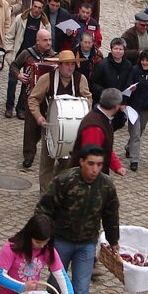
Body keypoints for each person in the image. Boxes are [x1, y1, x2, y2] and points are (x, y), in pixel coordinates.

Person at [36, 146, 120, 294]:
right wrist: (42, 236)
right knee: (56, 281)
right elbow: (44, 208)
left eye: (99, 165)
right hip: (61, 241)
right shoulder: (65, 180)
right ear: (82, 161)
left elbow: (111, 215)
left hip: (86, 244)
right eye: (91, 163)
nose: (94, 169)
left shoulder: (106, 187)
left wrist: (114, 241)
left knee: (80, 291)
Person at [29, 51, 92, 190]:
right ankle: (45, 194)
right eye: (67, 64)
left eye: (72, 64)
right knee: (47, 163)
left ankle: (58, 189)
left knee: (67, 163)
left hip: (72, 129)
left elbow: (88, 98)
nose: (70, 68)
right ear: (59, 65)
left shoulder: (80, 79)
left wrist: (83, 109)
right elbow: (33, 98)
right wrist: (39, 116)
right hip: (50, 127)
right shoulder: (47, 78)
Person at [11, 29, 56, 159]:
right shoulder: (27, 53)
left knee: (43, 123)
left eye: (50, 40)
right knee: (30, 125)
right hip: (30, 94)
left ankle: (38, 145)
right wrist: (19, 75)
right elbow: (14, 65)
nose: (48, 43)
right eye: (45, 40)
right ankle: (28, 155)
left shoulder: (54, 56)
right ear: (38, 41)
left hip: (47, 96)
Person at [4, 0, 50, 118]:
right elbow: (10, 36)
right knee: (12, 82)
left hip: (33, 56)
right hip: (19, 53)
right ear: (31, 6)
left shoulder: (45, 24)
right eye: (35, 7)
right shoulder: (21, 18)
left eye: (39, 8)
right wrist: (9, 52)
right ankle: (9, 107)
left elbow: (48, 42)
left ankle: (21, 108)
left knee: (27, 84)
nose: (36, 10)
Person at [66, 87, 126, 177]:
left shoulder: (101, 119)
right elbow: (91, 157)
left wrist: (117, 166)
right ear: (117, 106)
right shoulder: (95, 128)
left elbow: (105, 146)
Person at [124, 51, 148, 173]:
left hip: (146, 107)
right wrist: (131, 89)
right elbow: (128, 83)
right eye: (143, 60)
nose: (145, 62)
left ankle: (129, 147)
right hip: (133, 106)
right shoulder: (135, 70)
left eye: (147, 60)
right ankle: (134, 160)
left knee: (140, 130)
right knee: (135, 133)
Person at [90, 37, 133, 107]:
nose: (118, 51)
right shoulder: (102, 64)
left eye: (121, 49)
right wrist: (104, 93)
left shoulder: (128, 65)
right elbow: (93, 83)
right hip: (104, 102)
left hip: (120, 103)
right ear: (111, 50)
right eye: (115, 49)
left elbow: (129, 81)